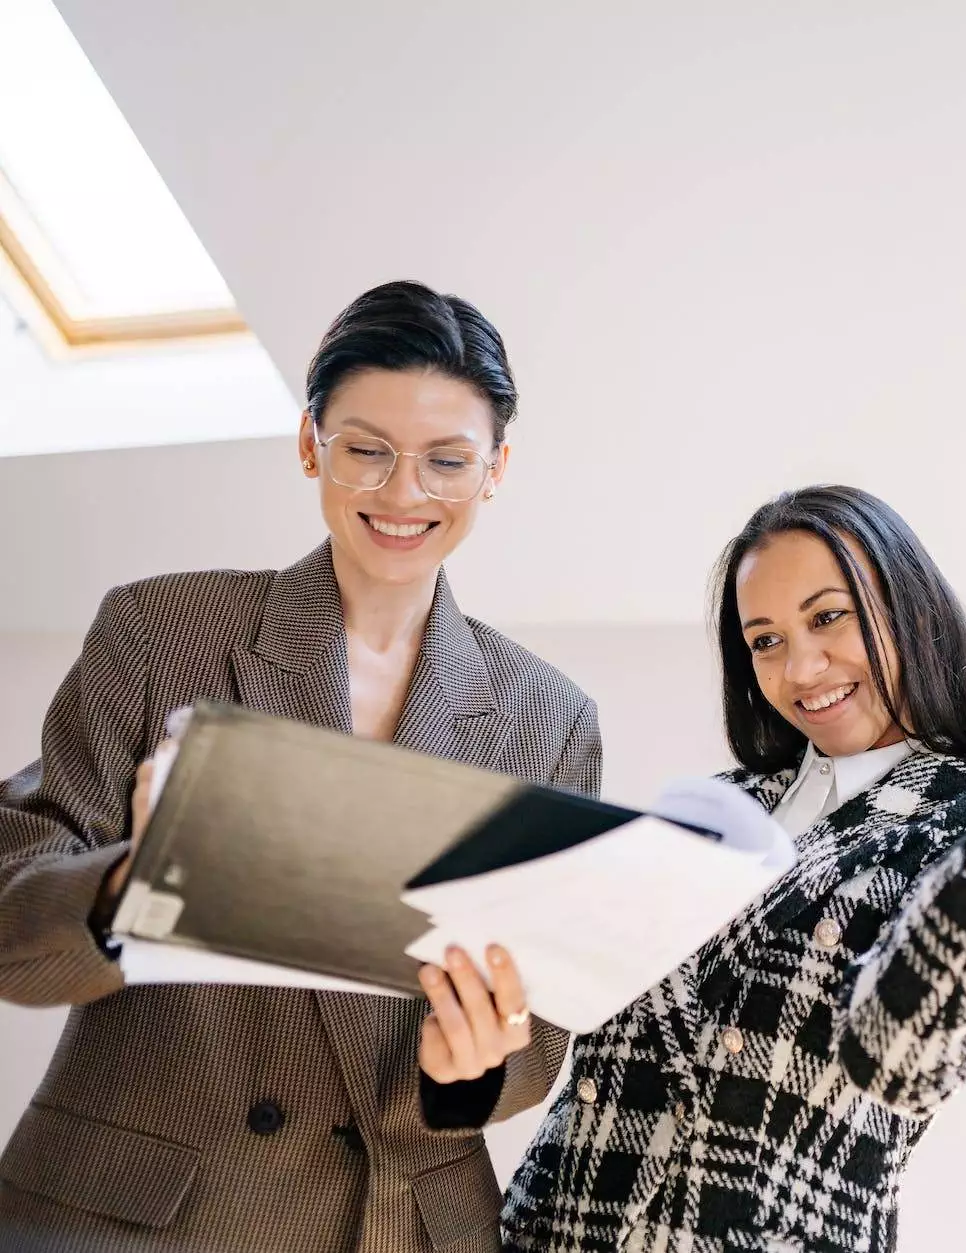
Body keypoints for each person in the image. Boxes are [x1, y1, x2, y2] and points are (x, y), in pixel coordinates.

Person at [0, 280, 599, 1253]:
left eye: (446, 460)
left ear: (494, 470)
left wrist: (469, 1067)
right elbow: (11, 915)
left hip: (389, 1221)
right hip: (146, 1214)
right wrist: (129, 883)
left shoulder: (548, 715)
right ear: (309, 441)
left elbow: (540, 1023)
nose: (404, 494)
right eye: (366, 449)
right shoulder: (163, 633)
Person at [503, 485, 966, 1252]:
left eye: (828, 617)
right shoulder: (717, 807)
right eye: (765, 640)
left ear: (908, 607)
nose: (803, 667)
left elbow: (902, 1054)